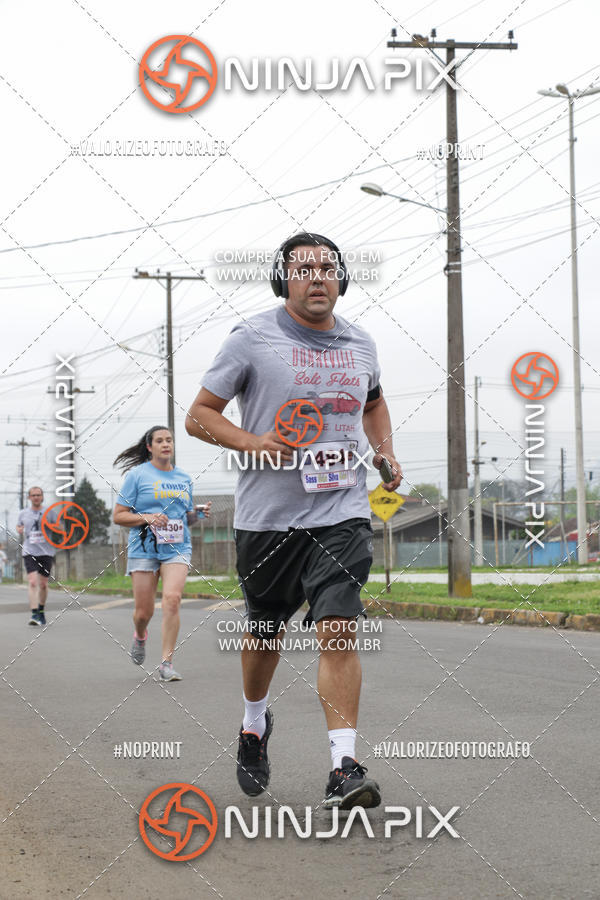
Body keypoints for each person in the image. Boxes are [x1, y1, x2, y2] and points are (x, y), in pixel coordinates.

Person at [186, 232, 403, 810]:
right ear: (285, 280)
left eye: (327, 267)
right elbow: (200, 415)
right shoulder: (252, 339)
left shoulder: (361, 343)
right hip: (269, 519)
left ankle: (344, 766)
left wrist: (382, 452)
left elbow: (374, 403)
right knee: (264, 631)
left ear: (342, 280)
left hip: (343, 511)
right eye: (303, 268)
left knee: (339, 625)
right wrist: (253, 441)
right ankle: (254, 724)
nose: (317, 276)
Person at [113, 426, 211, 682]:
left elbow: (184, 518)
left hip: (176, 548)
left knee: (172, 598)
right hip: (143, 548)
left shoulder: (184, 478)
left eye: (169, 440)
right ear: (150, 447)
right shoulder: (137, 476)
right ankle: (140, 635)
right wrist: (147, 517)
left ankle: (166, 663)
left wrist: (198, 514)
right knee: (143, 612)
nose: (166, 444)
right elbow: (119, 516)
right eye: (160, 440)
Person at [16, 487, 58, 626]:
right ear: (29, 497)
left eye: (38, 495)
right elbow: (18, 526)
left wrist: (51, 526)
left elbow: (60, 529)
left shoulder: (50, 512)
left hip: (46, 552)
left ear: (42, 497)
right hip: (29, 551)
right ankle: (34, 614)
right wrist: (19, 530)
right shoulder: (23, 513)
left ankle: (41, 610)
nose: (36, 497)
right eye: (33, 495)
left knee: (43, 585)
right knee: (33, 582)